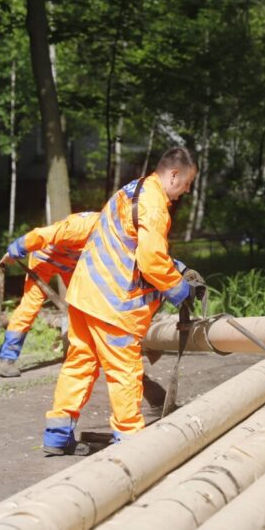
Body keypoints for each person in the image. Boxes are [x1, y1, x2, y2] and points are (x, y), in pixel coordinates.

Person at [43, 147, 205, 455]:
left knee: (79, 364)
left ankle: (56, 434)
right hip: (113, 303)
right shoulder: (155, 203)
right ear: (173, 174)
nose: (187, 190)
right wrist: (179, 289)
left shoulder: (131, 190)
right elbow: (150, 259)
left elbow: (126, 243)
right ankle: (130, 442)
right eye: (186, 182)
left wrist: (176, 267)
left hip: (83, 294)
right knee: (124, 370)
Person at [0, 211, 100, 377]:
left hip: (71, 264)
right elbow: (40, 234)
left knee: (83, 304)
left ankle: (86, 352)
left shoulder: (115, 230)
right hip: (44, 259)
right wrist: (14, 251)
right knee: (30, 306)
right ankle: (6, 358)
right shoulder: (80, 227)